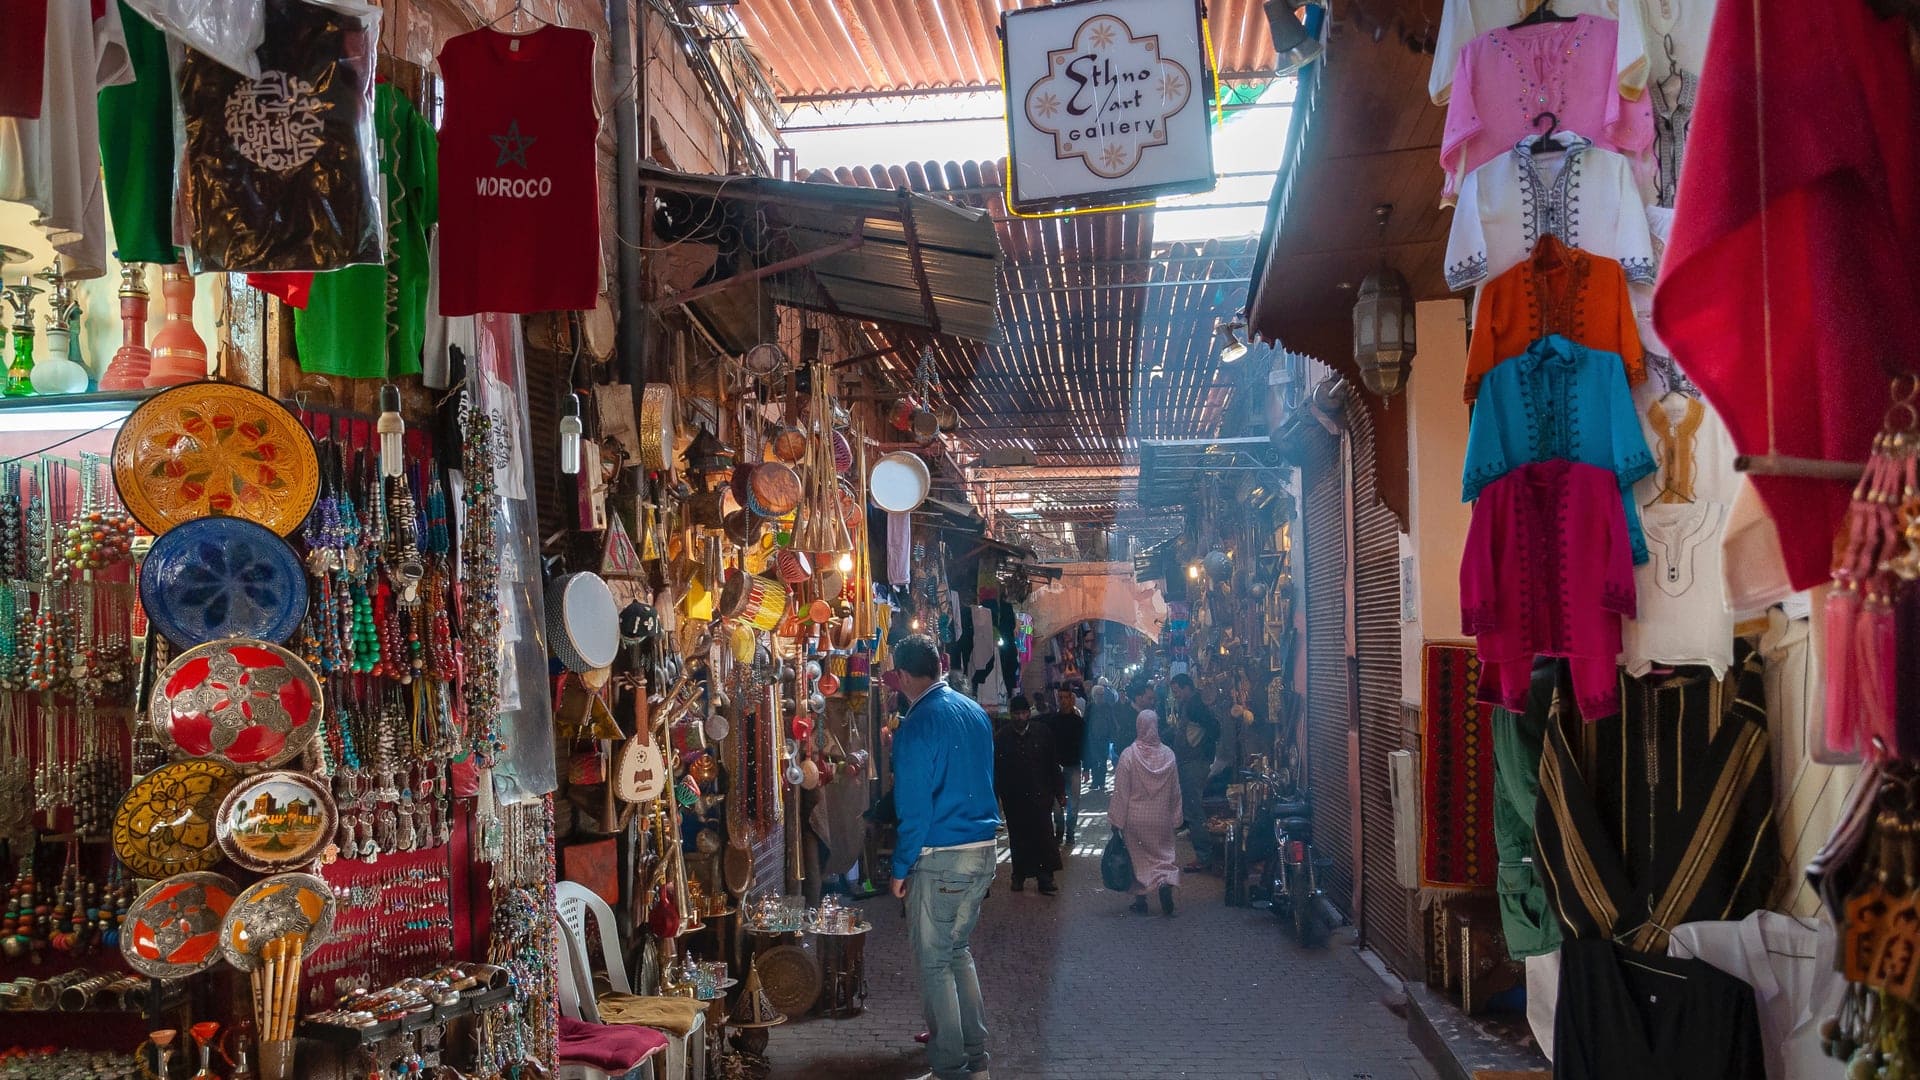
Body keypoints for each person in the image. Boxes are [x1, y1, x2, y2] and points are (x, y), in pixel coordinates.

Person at [889, 634, 1000, 1080]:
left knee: (936, 961)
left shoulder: (917, 725)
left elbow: (914, 809)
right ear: (940, 665)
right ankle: (976, 1061)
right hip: (983, 850)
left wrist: (900, 868)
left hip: (942, 857)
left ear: (900, 677)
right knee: (958, 953)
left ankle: (952, 1066)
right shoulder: (973, 711)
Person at [1110, 709, 1182, 916]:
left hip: (1136, 819)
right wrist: (1177, 816)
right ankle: (1164, 882)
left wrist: (1116, 820)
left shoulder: (1128, 755)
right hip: (1161, 818)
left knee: (1137, 858)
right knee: (1162, 856)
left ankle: (1141, 901)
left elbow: (1121, 792)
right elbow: (1175, 791)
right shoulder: (1169, 755)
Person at [992, 695, 1062, 894]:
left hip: (1040, 796)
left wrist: (1059, 792)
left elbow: (1052, 764)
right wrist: (995, 798)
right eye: (1016, 714)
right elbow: (996, 770)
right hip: (1014, 799)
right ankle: (1019, 875)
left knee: (1044, 837)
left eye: (1023, 713)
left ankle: (1045, 878)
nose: (1020, 717)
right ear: (1011, 715)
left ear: (1029, 713)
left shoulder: (1042, 733)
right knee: (1018, 838)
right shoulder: (1002, 738)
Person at [1168, 672, 1220, 873]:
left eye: (1177, 691)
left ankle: (1203, 856)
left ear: (1187, 687)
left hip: (1194, 763)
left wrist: (1203, 747)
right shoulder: (1191, 704)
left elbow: (1214, 728)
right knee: (1192, 808)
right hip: (1192, 761)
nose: (1176, 695)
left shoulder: (1196, 705)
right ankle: (1203, 854)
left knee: (1194, 810)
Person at [1043, 685, 1086, 847]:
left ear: (1071, 699)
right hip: (1056, 769)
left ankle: (1070, 833)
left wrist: (1087, 767)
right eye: (1060, 698)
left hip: (1074, 766)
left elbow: (1084, 744)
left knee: (1074, 803)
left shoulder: (1079, 722)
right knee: (1056, 804)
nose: (1063, 701)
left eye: (1065, 697)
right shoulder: (1052, 721)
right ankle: (1060, 831)